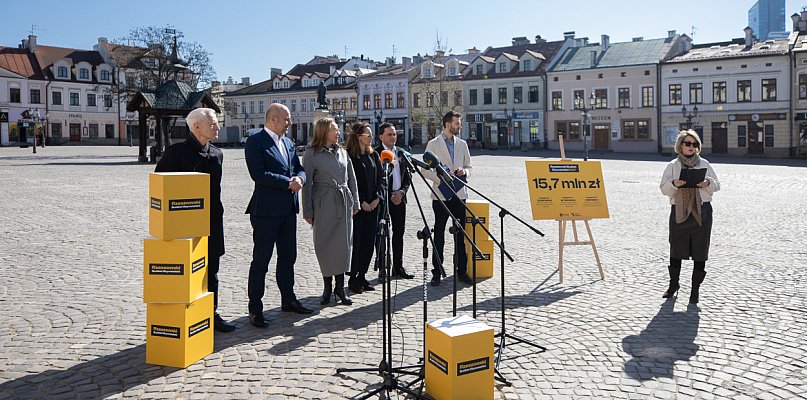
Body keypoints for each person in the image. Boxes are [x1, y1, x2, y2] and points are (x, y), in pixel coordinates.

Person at [155, 108, 236, 333]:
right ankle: (186, 314)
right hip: (183, 225)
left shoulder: (217, 154)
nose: (217, 127)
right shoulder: (175, 153)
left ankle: (211, 313)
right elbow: (160, 187)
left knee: (211, 270)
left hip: (211, 222)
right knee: (186, 270)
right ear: (196, 126)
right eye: (212, 123)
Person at [245, 103, 311, 329]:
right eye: (286, 119)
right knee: (261, 261)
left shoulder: (289, 143)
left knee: (288, 257)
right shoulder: (255, 141)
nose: (289, 123)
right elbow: (258, 174)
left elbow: (298, 168)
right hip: (265, 211)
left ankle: (288, 299)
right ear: (273, 119)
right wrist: (288, 182)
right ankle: (255, 308)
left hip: (288, 210)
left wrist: (300, 179)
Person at [302, 118, 359, 306]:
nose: (338, 133)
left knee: (343, 245)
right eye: (334, 129)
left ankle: (340, 288)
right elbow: (307, 184)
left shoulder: (343, 152)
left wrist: (355, 203)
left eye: (337, 129)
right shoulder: (311, 154)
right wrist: (308, 211)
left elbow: (352, 178)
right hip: (323, 204)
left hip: (343, 203)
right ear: (323, 132)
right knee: (324, 245)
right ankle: (327, 288)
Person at [659, 130, 720, 304]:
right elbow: (663, 188)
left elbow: (717, 185)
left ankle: (695, 290)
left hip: (703, 211)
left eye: (694, 144)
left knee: (701, 250)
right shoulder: (672, 165)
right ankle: (673, 285)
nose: (691, 147)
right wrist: (674, 184)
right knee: (676, 249)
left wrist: (707, 183)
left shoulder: (705, 164)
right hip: (679, 210)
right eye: (688, 143)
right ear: (680, 145)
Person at [423, 111, 473, 287]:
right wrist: (442, 178)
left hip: (459, 195)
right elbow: (425, 170)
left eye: (459, 123)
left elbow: (469, 166)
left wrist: (463, 171)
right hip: (441, 195)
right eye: (457, 123)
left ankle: (462, 271)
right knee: (439, 235)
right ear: (447, 124)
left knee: (460, 235)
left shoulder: (462, 144)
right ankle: (437, 272)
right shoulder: (433, 144)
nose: (459, 126)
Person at [345, 122, 385, 294]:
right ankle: (353, 278)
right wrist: (360, 201)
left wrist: (378, 197)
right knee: (357, 244)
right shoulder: (349, 157)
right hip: (358, 209)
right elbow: (348, 182)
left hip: (373, 206)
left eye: (371, 135)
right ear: (358, 137)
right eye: (367, 135)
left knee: (369, 242)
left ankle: (362, 275)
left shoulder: (374, 155)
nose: (371, 137)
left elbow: (382, 178)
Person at [375, 123, 414, 281]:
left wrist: (402, 192)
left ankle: (398, 267)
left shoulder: (402, 153)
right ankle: (383, 268)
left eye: (394, 134)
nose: (393, 137)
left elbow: (407, 177)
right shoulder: (376, 154)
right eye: (389, 134)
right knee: (382, 234)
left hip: (399, 199)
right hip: (383, 200)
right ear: (381, 136)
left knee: (399, 233)